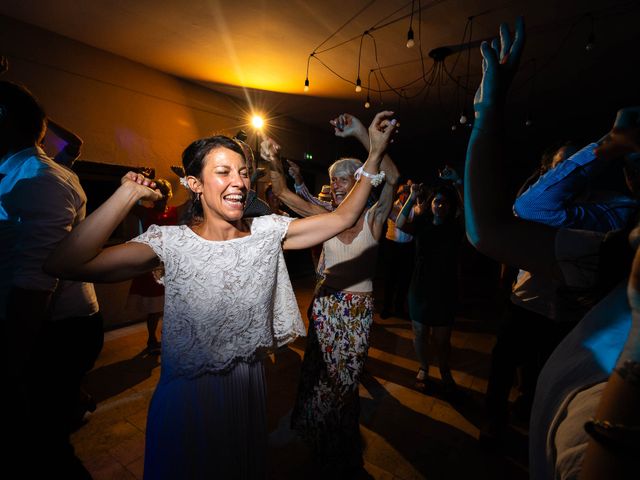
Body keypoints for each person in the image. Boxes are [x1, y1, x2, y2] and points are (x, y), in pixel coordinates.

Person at [45, 111, 398, 479]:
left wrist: (373, 154)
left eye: (244, 172)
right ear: (195, 184)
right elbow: (64, 263)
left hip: (247, 389)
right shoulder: (172, 243)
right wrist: (127, 192)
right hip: (189, 400)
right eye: (224, 171)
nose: (239, 182)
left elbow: (341, 218)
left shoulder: (267, 232)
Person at [463, 17, 639, 478]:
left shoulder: (606, 214)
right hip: (525, 305)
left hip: (560, 314)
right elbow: (508, 221)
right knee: (504, 369)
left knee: (537, 377)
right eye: (562, 167)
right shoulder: (561, 206)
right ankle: (495, 420)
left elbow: (490, 228)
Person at [262, 112, 400, 477]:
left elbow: (394, 177)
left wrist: (360, 133)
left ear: (359, 179)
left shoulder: (374, 218)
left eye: (343, 179)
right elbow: (283, 194)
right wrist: (272, 160)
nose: (337, 186)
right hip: (325, 304)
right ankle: (320, 442)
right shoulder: (326, 215)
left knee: (345, 382)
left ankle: (341, 446)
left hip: (356, 310)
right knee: (317, 374)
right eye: (332, 180)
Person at [1, 80, 98, 478]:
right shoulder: (21, 172)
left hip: (53, 327)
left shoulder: (41, 177)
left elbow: (37, 281)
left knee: (41, 447)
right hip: (43, 325)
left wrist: (9, 363)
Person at [396, 181, 464, 392]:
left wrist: (459, 185)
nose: (440, 206)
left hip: (445, 289)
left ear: (450, 206)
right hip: (420, 287)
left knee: (442, 340)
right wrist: (412, 196)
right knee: (419, 332)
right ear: (431, 204)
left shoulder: (455, 228)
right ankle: (424, 367)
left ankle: (444, 369)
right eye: (436, 202)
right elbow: (399, 223)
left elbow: (469, 214)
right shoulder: (422, 225)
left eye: (444, 203)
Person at [127, 177, 177, 354]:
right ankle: (152, 339)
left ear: (168, 194)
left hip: (171, 264)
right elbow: (128, 202)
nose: (161, 195)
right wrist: (140, 185)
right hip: (153, 263)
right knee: (155, 308)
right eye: (158, 191)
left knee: (172, 307)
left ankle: (167, 339)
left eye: (164, 191)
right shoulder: (145, 212)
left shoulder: (175, 212)